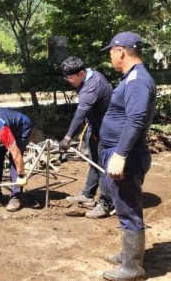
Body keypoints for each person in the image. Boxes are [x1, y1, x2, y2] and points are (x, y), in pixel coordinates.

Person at [99, 32, 156, 281]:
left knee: (129, 207)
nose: (111, 56)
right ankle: (128, 254)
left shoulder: (137, 81)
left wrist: (120, 154)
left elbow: (136, 118)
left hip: (127, 154)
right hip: (120, 151)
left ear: (120, 51)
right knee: (124, 204)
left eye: (111, 51)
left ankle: (133, 267)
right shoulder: (132, 78)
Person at [59, 57, 114, 219]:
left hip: (105, 127)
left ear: (82, 73)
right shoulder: (90, 76)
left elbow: (79, 116)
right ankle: (88, 194)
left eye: (70, 77)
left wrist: (68, 137)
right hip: (94, 124)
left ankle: (106, 202)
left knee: (103, 164)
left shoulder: (91, 86)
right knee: (93, 161)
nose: (68, 81)